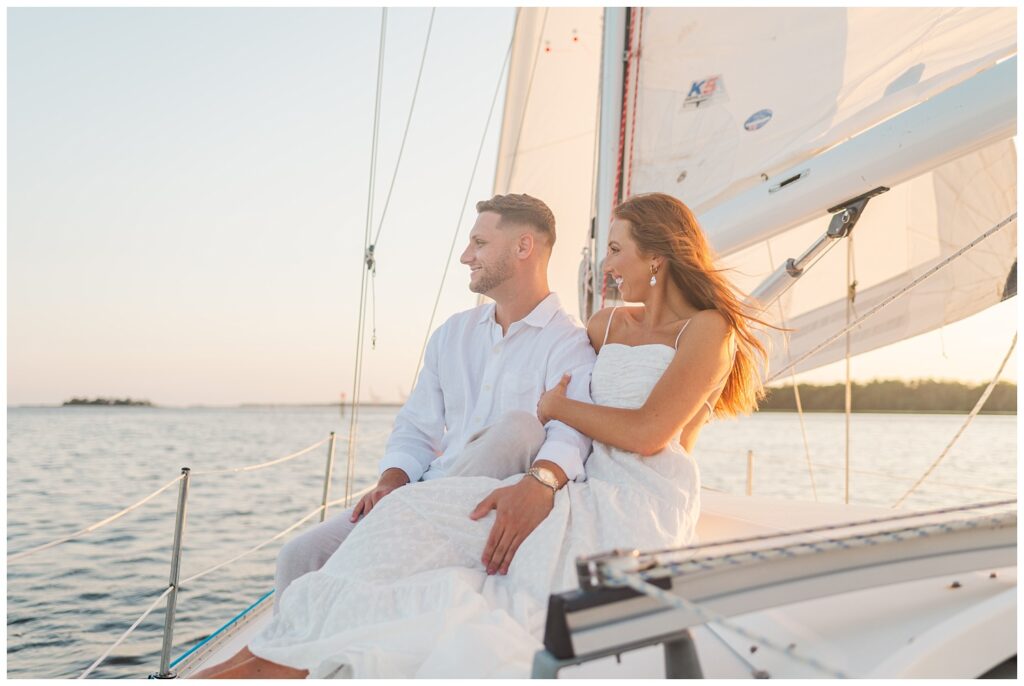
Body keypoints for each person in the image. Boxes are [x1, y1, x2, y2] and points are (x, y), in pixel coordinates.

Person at [194, 192, 768, 679]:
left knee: (451, 555)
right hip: (575, 485)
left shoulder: (708, 329)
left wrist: (554, 418)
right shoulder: (605, 324)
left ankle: (276, 666)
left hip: (639, 499)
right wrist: (398, 476)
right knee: (379, 526)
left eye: (616, 249)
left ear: (658, 256)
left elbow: (644, 433)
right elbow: (423, 425)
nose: (607, 265)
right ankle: (253, 667)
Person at [272, 193, 596, 604]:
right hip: (421, 491)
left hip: (483, 505)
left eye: (479, 243)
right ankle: (281, 659)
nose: (465, 256)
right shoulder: (452, 334)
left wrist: (544, 481)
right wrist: (392, 481)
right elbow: (416, 426)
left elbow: (571, 432)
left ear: (523, 247)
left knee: (521, 427)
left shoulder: (568, 342)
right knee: (298, 557)